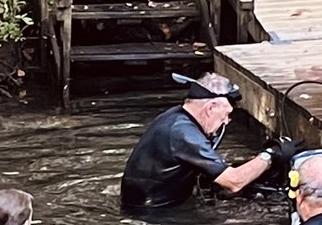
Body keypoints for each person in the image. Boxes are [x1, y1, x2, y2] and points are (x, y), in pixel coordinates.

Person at [120, 72, 299, 209]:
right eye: (226, 114)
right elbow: (234, 182)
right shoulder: (184, 134)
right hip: (156, 213)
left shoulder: (174, 118)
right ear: (211, 107)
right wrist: (270, 155)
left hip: (151, 204)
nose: (226, 121)